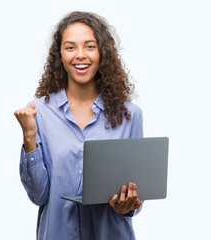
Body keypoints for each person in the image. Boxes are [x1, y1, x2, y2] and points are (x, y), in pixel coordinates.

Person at [14, 11, 143, 240]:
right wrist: (29, 137)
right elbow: (39, 196)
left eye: (90, 46)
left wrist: (128, 205)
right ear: (60, 55)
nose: (80, 56)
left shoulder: (129, 116)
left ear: (102, 53)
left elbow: (135, 197)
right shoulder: (38, 113)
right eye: (70, 47)